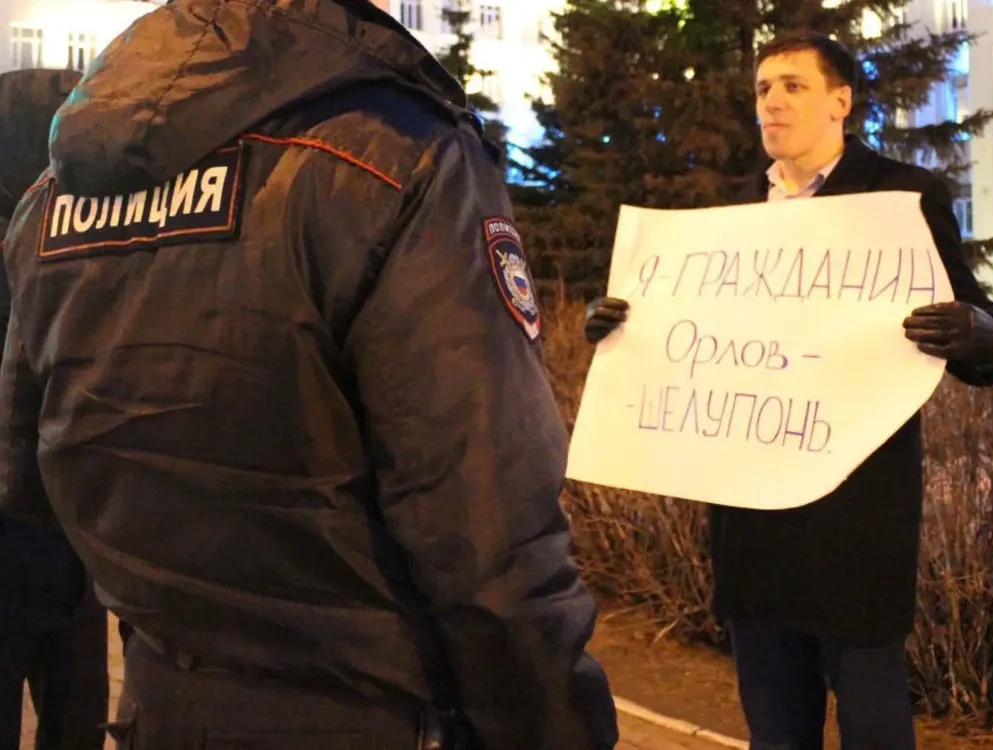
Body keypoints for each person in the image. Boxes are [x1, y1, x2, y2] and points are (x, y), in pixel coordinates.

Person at [0, 2, 617, 749]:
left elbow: (30, 480)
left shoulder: (51, 199)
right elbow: (490, 536)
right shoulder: (398, 156)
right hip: (369, 713)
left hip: (161, 703)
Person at [584, 31, 993, 750]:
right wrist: (619, 331)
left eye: (793, 86)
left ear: (840, 102)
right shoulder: (729, 216)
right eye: (762, 89)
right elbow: (694, 341)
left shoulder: (901, 200)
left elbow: (986, 334)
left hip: (857, 519)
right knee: (775, 729)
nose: (772, 102)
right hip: (752, 522)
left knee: (874, 724)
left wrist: (979, 333)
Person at [0, 67, 109, 750]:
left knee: (78, 713)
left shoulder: (64, 239)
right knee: (77, 713)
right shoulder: (72, 241)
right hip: (64, 522)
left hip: (65, 530)